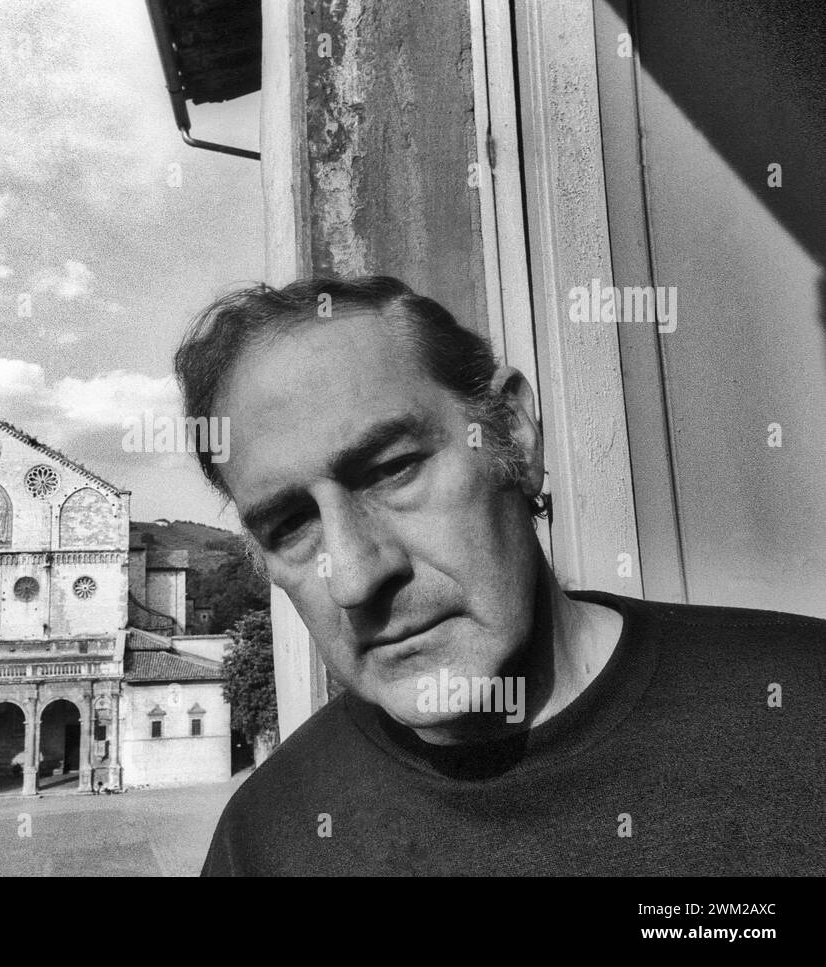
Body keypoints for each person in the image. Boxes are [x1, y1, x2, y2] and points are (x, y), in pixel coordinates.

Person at [173, 275, 826, 876]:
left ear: (513, 430)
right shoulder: (264, 843)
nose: (353, 577)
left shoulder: (803, 703)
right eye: (289, 524)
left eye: (392, 468)